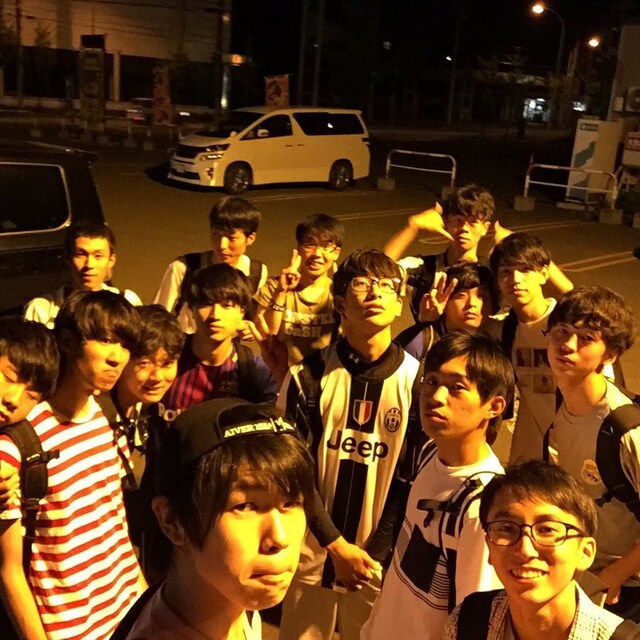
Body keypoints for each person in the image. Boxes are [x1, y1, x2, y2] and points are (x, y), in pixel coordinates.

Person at [277, 248, 423, 640]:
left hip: (379, 565)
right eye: (362, 284)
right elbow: (292, 473)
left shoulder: (419, 384)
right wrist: (337, 547)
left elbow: (411, 480)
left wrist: (371, 556)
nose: (375, 292)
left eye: (387, 286)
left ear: (399, 304)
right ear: (340, 302)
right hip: (311, 559)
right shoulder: (306, 377)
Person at [0, 290, 146, 640]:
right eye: (105, 340)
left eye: (125, 345)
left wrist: (146, 602)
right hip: (68, 628)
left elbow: (114, 524)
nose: (116, 358)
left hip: (127, 615)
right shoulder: (19, 442)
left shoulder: (106, 415)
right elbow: (9, 572)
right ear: (67, 341)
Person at [112, 398, 315, 640]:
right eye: (245, 506)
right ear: (172, 521)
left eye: (291, 503)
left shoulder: (233, 600)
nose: (279, 538)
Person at [362, 331, 514, 640]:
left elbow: (476, 621)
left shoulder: (482, 506)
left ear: (494, 406)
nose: (436, 397)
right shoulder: (430, 452)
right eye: (431, 382)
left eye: (457, 387)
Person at [444, 460, 636, 640]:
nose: (525, 550)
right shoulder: (468, 621)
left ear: (585, 552)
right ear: (489, 546)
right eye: (507, 528)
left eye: (546, 530)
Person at [545, 285, 640, 621]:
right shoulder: (564, 407)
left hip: (626, 589)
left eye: (586, 338)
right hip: (587, 574)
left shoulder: (625, 429)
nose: (567, 345)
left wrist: (613, 576)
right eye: (561, 331)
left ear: (610, 354)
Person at [98, 305, 185, 560]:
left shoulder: (148, 410)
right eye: (144, 363)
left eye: (167, 364)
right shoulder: (95, 414)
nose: (156, 376)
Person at [488, 232, 573, 464]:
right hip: (533, 444)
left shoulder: (569, 325)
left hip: (579, 443)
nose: (515, 279)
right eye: (506, 272)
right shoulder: (505, 329)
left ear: (544, 274)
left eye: (525, 270)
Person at [159, 264, 277, 426]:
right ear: (191, 310)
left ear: (242, 311)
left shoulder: (255, 370)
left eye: (227, 305)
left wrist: (281, 371)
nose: (215, 315)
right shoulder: (168, 355)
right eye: (206, 304)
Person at [154, 196, 267, 332]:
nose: (222, 245)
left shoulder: (257, 272)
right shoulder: (183, 267)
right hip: (186, 343)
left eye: (231, 238)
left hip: (228, 344)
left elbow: (253, 318)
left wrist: (249, 327)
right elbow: (158, 317)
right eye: (216, 235)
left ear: (250, 238)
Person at [383, 184, 495, 321]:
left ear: (485, 227)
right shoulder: (422, 269)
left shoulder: (492, 273)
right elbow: (380, 271)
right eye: (458, 221)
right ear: (446, 222)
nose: (464, 228)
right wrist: (412, 227)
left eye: (473, 222)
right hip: (428, 335)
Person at [254, 213, 344, 365]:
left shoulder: (337, 292)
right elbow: (267, 336)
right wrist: (281, 293)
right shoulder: (274, 287)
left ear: (336, 253)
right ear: (299, 248)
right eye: (310, 244)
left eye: (326, 246)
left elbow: (351, 339)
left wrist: (344, 299)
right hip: (280, 371)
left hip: (324, 373)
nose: (317, 254)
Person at [24, 221, 142, 328]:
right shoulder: (41, 309)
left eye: (98, 256)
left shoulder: (128, 302)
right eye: (80, 255)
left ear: (111, 260)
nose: (89, 264)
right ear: (67, 258)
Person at [394, 261, 499, 361]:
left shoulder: (496, 346)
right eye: (461, 295)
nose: (472, 303)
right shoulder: (421, 341)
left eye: (481, 296)